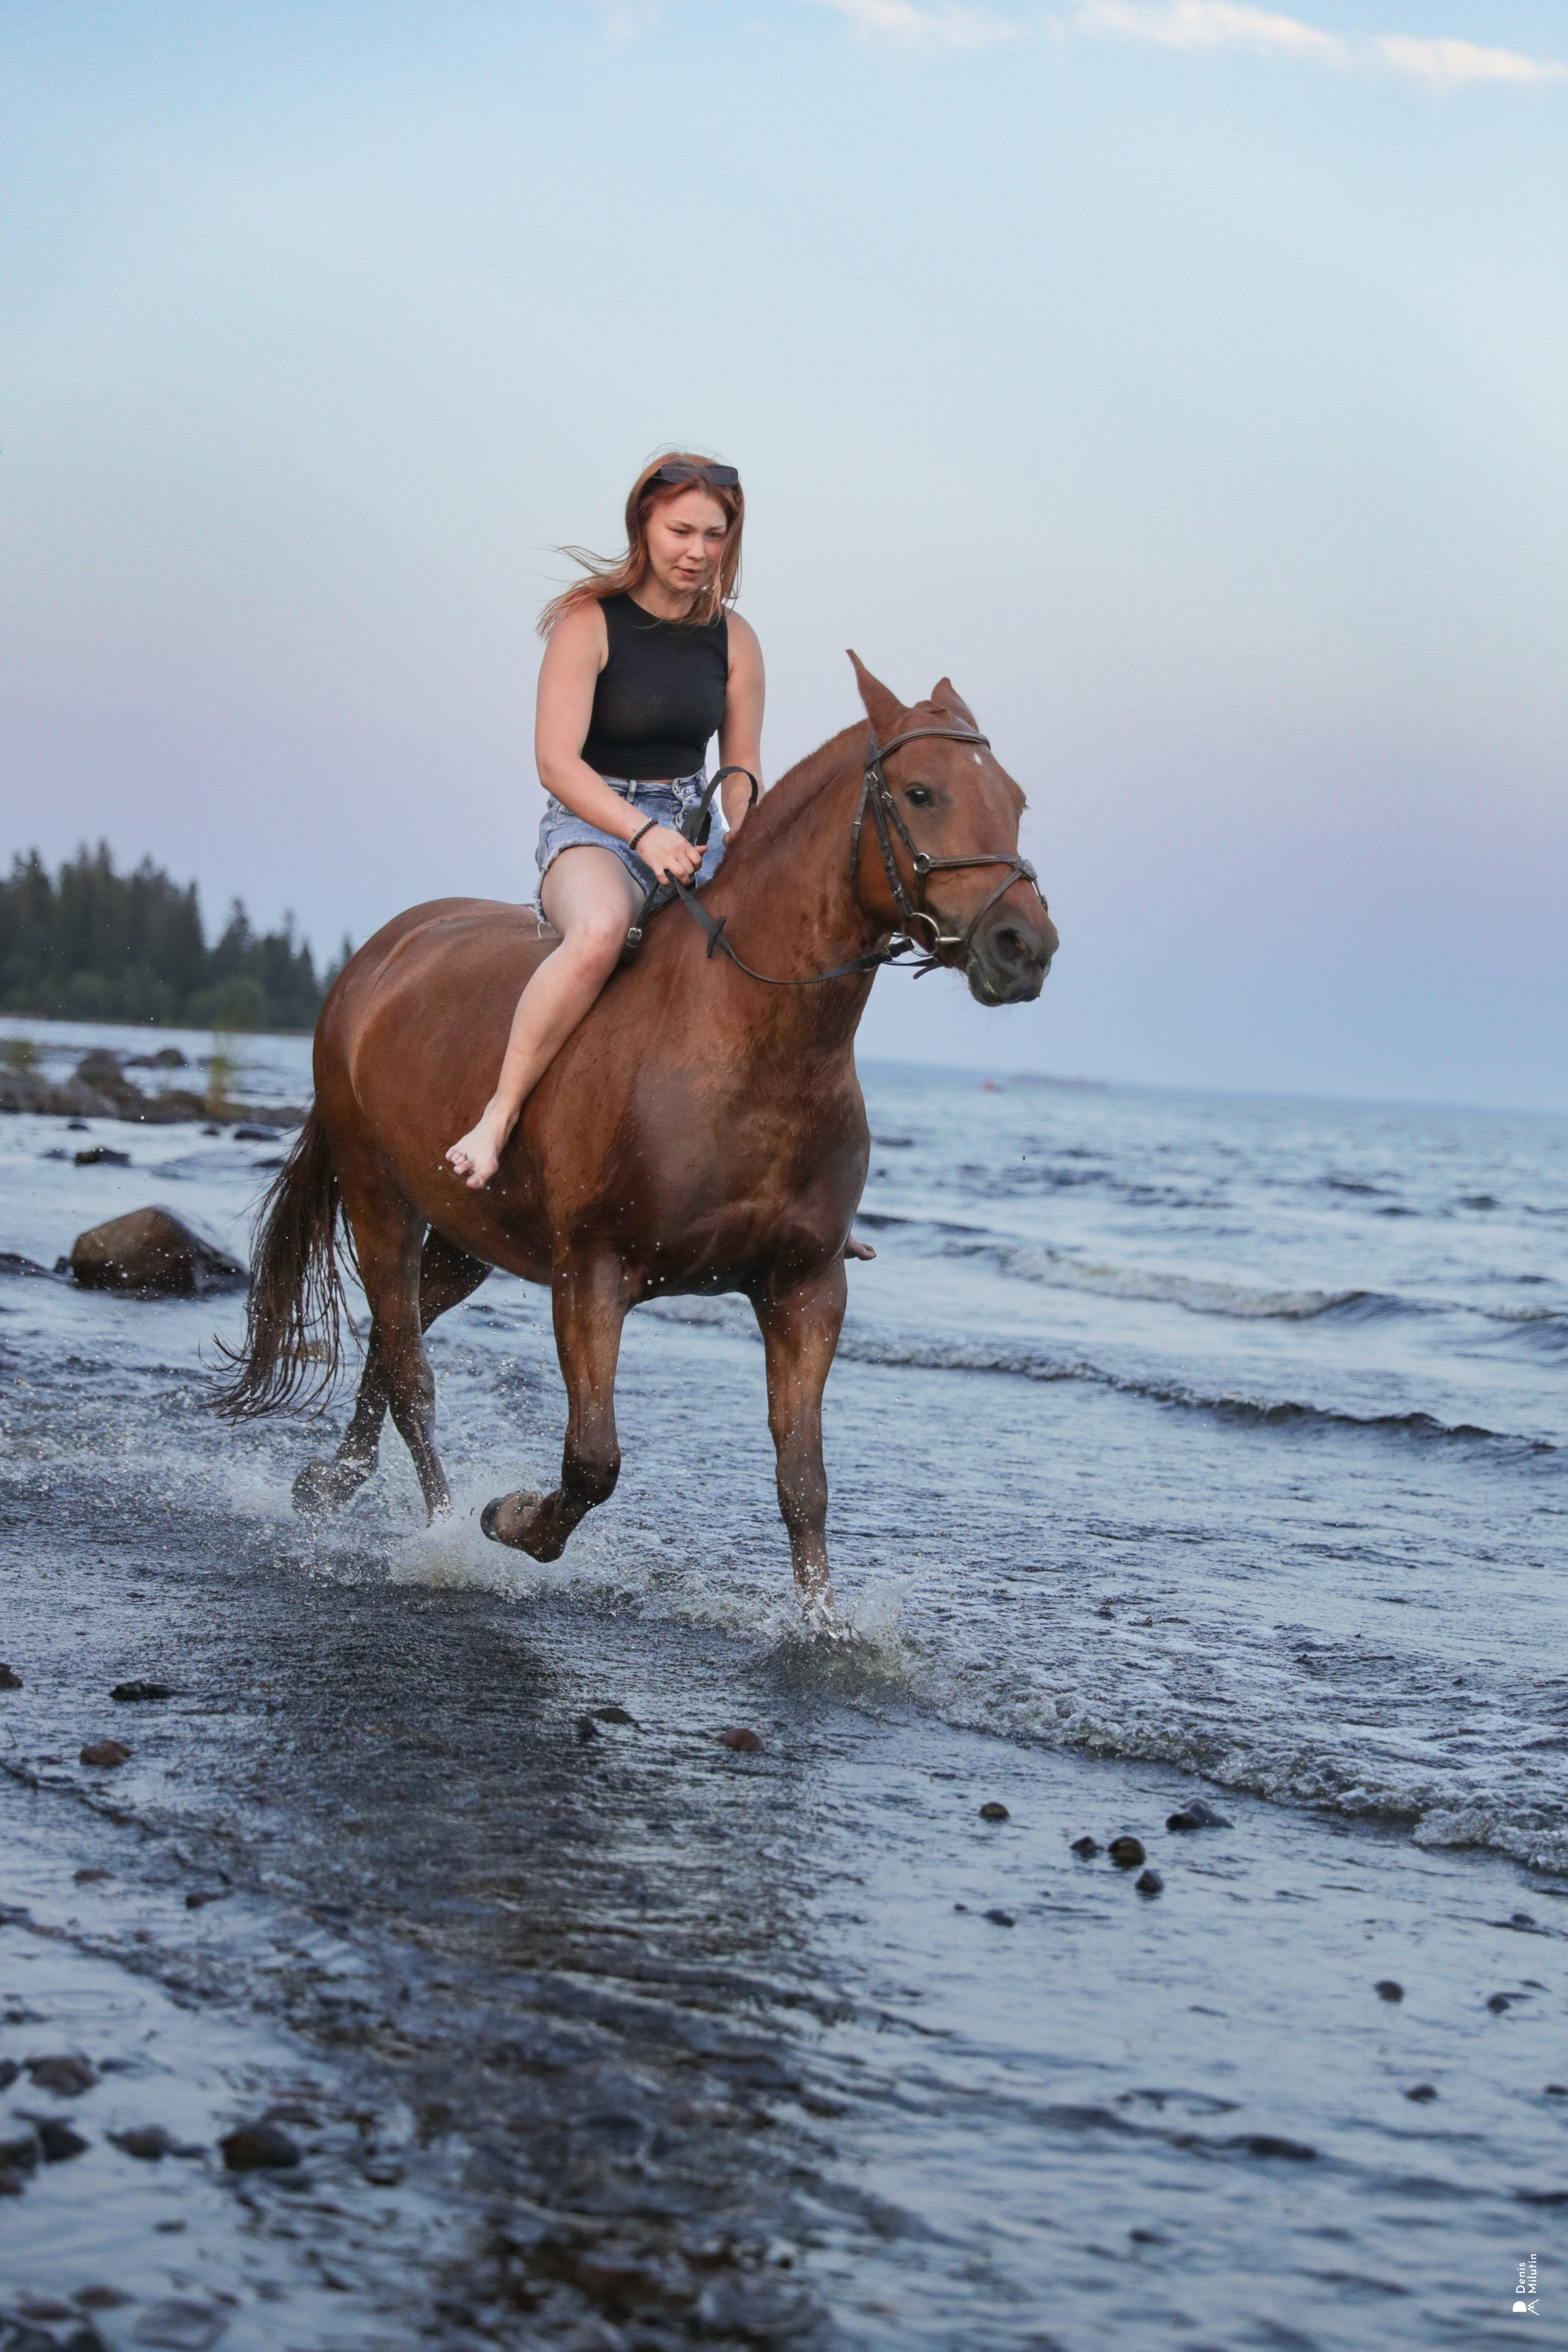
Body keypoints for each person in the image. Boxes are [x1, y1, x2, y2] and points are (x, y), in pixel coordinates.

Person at [445, 453, 760, 1192]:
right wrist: (642, 834)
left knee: (779, 954)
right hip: (593, 826)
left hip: (694, 827)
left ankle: (784, 1181)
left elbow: (741, 772)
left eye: (715, 535)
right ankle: (498, 1116)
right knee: (596, 936)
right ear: (643, 524)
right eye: (681, 530)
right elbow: (556, 762)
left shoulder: (735, 639)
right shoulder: (587, 621)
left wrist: (748, 841)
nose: (698, 551)